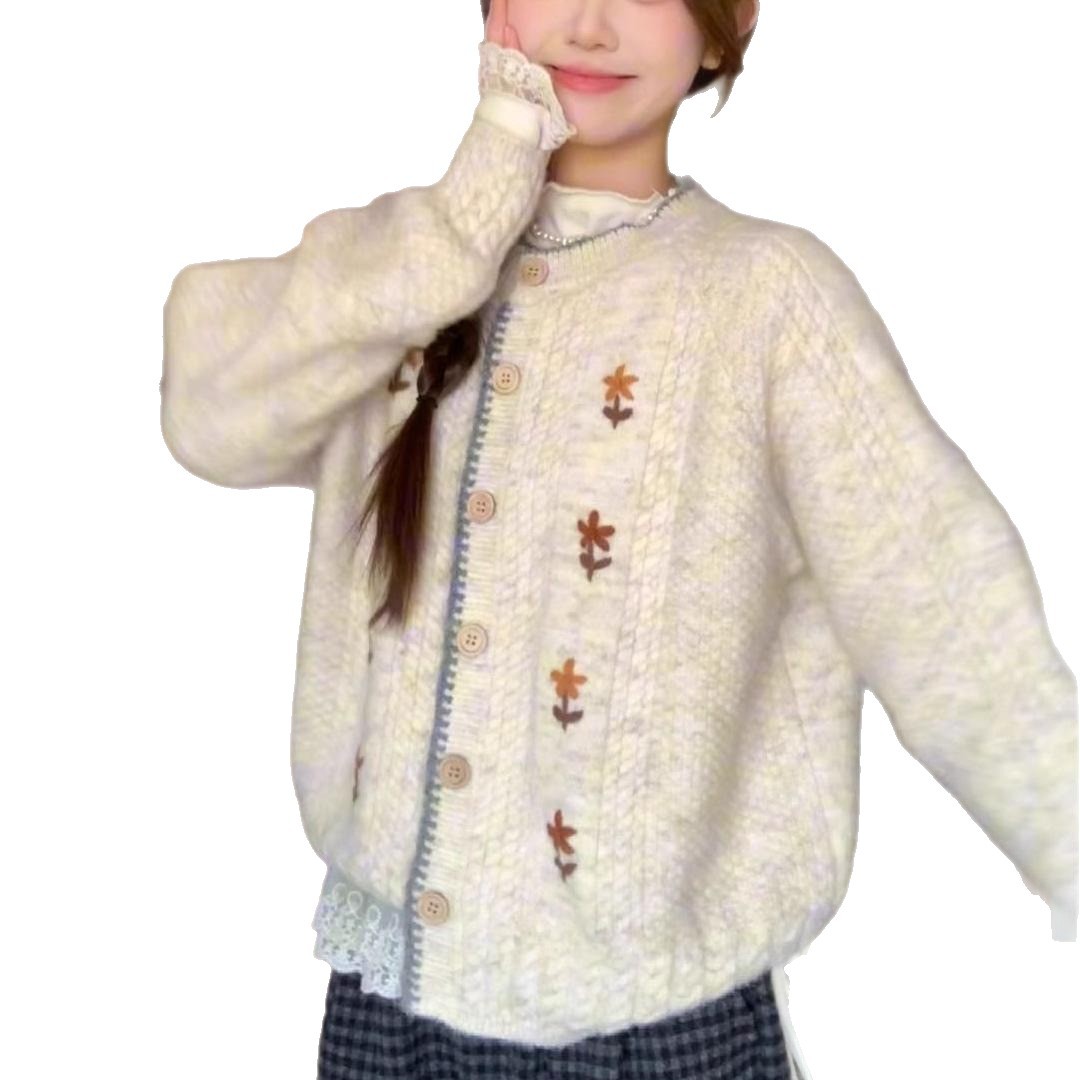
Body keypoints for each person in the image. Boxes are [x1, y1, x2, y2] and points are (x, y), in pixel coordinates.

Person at [159, 1, 1078, 1078]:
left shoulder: (764, 297)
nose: (590, 26)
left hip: (655, 1026)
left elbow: (939, 599)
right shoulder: (395, 269)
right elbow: (209, 417)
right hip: (386, 1003)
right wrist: (473, 204)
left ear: (721, 28)